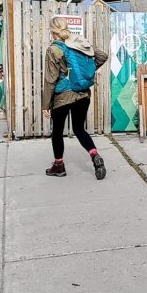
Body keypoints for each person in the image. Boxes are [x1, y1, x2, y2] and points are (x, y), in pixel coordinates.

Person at [42, 16, 108, 179]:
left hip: (63, 96)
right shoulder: (77, 44)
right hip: (82, 95)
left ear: (52, 31)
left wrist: (45, 105)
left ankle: (59, 166)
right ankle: (95, 157)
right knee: (79, 129)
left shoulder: (54, 50)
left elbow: (50, 80)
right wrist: (86, 72)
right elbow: (102, 56)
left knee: (57, 131)